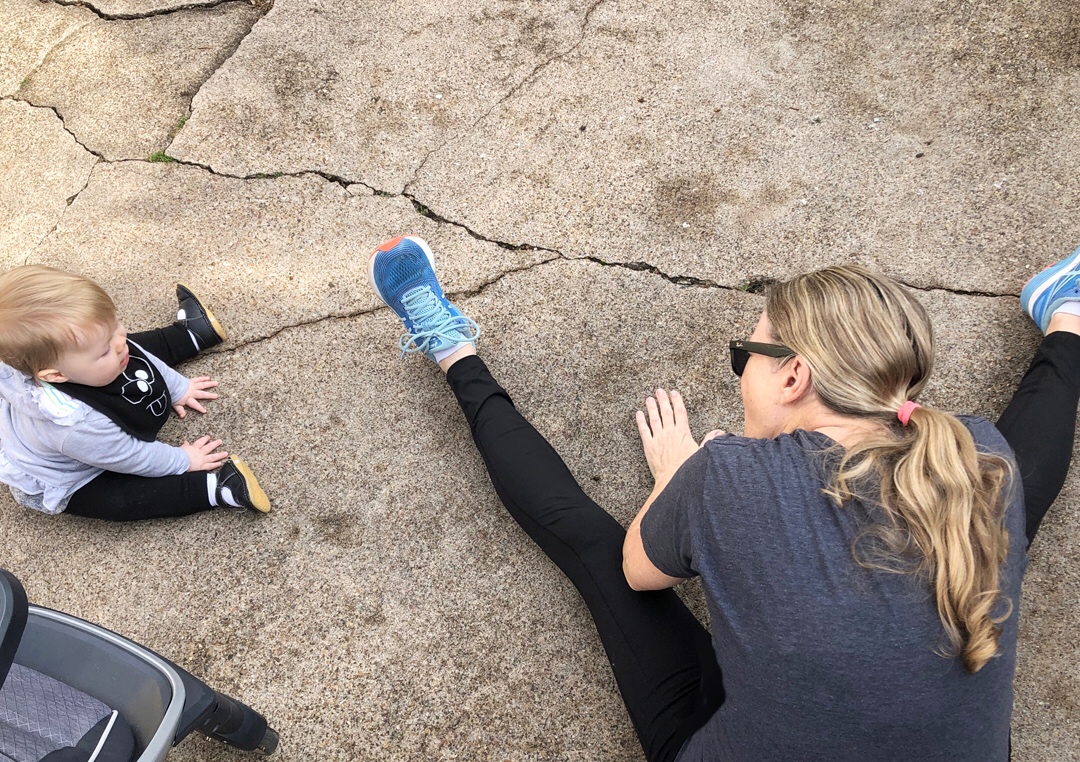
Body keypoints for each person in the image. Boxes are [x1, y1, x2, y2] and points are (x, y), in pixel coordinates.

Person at [368, 234, 1080, 762]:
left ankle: (452, 348)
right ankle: (1069, 313)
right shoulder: (977, 451)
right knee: (998, 486)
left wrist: (683, 477)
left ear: (794, 376)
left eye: (749, 355)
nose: (743, 370)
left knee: (589, 544)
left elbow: (639, 571)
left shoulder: (724, 477)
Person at [0, 265, 271, 520]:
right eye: (105, 348)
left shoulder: (89, 353)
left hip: (82, 374)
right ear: (56, 376)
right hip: (66, 475)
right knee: (117, 499)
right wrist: (183, 460)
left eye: (116, 324)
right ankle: (218, 489)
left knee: (126, 349)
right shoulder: (74, 426)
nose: (120, 341)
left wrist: (178, 388)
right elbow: (133, 456)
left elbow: (141, 357)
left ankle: (191, 334)